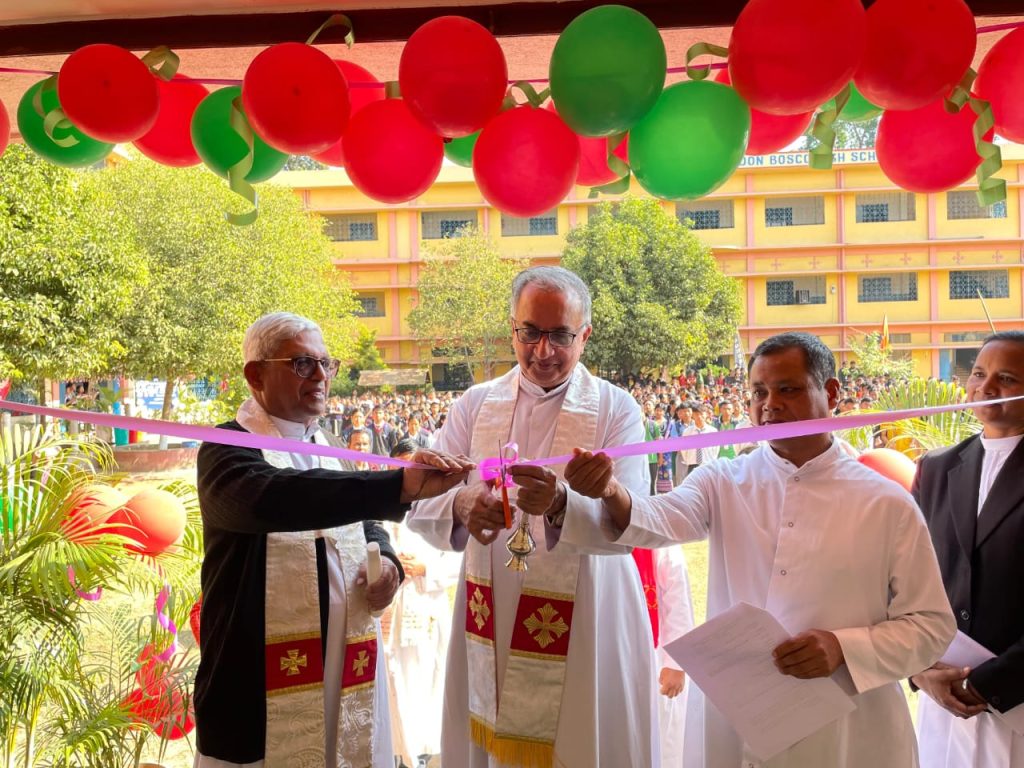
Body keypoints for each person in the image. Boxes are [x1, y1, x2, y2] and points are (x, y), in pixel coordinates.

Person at [563, 331, 956, 767]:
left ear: (830, 393)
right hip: (736, 716)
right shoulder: (724, 480)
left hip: (844, 729)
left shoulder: (885, 502)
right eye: (758, 392)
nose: (769, 404)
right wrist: (610, 490)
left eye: (787, 389)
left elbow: (931, 626)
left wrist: (844, 648)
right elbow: (656, 520)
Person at [193, 312, 472, 768]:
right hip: (260, 685)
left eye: (327, 363)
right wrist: (397, 485)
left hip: (346, 671)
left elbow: (366, 526)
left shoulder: (327, 444)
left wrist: (388, 566)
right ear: (255, 374)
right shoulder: (227, 448)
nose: (321, 376)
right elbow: (275, 500)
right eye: (303, 364)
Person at [407, 266, 658, 767]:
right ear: (513, 330)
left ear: (584, 335)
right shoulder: (476, 405)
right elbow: (418, 494)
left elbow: (636, 520)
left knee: (582, 740)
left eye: (560, 335)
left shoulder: (615, 408)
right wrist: (460, 504)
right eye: (530, 333)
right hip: (491, 608)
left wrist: (564, 504)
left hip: (589, 614)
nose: (542, 351)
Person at [911, 330, 1024, 767]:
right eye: (978, 373)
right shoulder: (937, 468)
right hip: (943, 693)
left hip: (1015, 698)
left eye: (1007, 378)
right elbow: (903, 579)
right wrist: (921, 670)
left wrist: (991, 681)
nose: (986, 387)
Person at [384, 439, 460, 768]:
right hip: (395, 612)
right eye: (399, 467)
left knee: (430, 679)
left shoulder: (441, 507)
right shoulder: (382, 512)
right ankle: (401, 752)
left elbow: (460, 558)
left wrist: (425, 568)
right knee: (397, 680)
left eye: (412, 467)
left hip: (429, 611)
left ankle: (427, 751)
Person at [632, 545, 695, 768]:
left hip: (655, 656)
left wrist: (675, 663)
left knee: (659, 732)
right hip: (615, 655)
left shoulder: (660, 543)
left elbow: (678, 601)